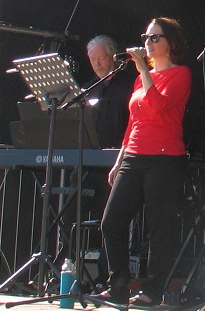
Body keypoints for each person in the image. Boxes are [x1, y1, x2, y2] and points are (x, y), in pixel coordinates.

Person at [94, 17, 192, 306]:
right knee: (111, 222)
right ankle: (118, 284)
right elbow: (133, 122)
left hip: (164, 158)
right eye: (146, 37)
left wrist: (144, 72)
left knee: (158, 227)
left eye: (154, 38)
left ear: (170, 43)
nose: (147, 43)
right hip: (135, 155)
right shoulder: (140, 78)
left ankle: (153, 289)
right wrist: (119, 159)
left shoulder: (180, 74)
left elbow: (160, 106)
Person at [82, 35, 134, 288]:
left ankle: (108, 278)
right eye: (93, 60)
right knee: (70, 202)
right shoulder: (91, 87)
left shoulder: (129, 83)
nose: (97, 64)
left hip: (119, 160)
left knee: (111, 218)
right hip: (91, 160)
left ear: (113, 55)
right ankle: (68, 270)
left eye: (101, 57)